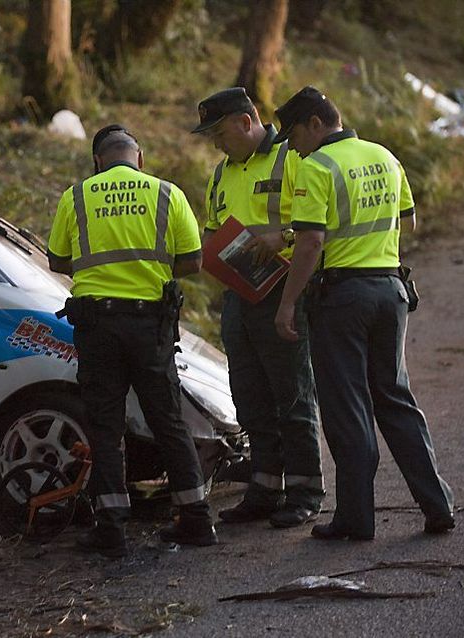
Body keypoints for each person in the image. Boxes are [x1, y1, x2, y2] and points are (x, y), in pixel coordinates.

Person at [272, 86, 455, 540]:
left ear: (315, 123)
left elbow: (311, 241)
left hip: (344, 297)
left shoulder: (317, 166)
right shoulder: (384, 155)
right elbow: (408, 220)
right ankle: (438, 505)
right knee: (394, 398)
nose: (292, 146)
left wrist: (289, 302)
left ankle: (355, 518)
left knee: (347, 405)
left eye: (293, 135)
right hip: (390, 289)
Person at [48, 124, 218, 558]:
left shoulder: (78, 196)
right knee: (168, 420)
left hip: (97, 327)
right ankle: (196, 518)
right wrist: (148, 271)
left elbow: (57, 259)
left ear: (97, 163)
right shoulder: (167, 194)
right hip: (151, 326)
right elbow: (194, 261)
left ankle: (112, 528)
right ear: (139, 159)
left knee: (105, 426)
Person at [191, 87, 324, 528]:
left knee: (292, 393)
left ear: (245, 121)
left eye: (219, 132)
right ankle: (266, 488)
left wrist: (282, 236)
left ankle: (305, 489)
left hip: (285, 291)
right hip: (239, 296)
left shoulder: (293, 157)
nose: (215, 143)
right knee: (249, 394)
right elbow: (212, 231)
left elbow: (318, 222)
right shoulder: (220, 174)